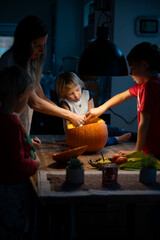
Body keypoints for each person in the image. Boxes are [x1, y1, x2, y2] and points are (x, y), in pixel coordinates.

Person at [0, 15, 85, 146]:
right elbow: (34, 102)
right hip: (7, 135)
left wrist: (69, 112)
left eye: (44, 45)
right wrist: (70, 115)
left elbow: (41, 97)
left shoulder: (29, 62)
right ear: (25, 44)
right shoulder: (11, 62)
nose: (42, 51)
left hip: (19, 134)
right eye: (37, 46)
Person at [85, 42, 160, 158]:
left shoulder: (149, 88)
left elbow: (144, 123)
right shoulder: (144, 86)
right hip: (149, 150)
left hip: (154, 152)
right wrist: (100, 109)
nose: (130, 74)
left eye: (133, 69)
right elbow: (121, 96)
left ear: (144, 65)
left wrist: (137, 151)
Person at [0, 65, 40, 239]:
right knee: (15, 227)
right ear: (20, 97)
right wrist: (35, 164)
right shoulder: (12, 124)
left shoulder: (3, 120)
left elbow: (7, 147)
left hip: (3, 185)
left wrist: (27, 142)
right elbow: (18, 163)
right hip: (13, 188)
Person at [56, 71, 137, 146]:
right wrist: (70, 140)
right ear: (64, 94)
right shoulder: (65, 103)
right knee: (96, 142)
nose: (76, 95)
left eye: (77, 90)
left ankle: (135, 135)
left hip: (92, 127)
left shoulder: (87, 95)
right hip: (79, 134)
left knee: (114, 129)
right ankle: (117, 139)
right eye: (71, 94)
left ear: (80, 84)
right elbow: (68, 125)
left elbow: (92, 115)